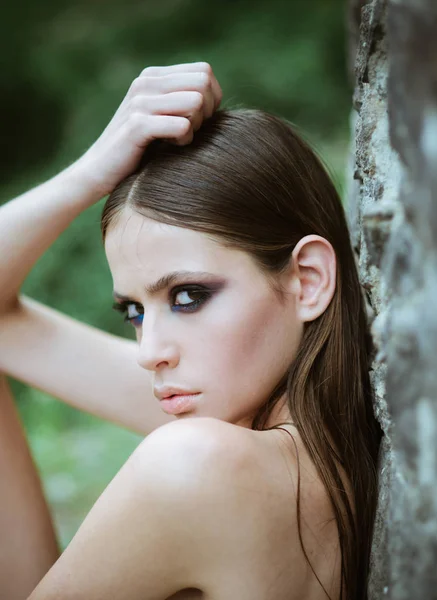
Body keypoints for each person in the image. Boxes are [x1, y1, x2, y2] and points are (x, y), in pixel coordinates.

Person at [0, 61, 382, 600]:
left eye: (188, 297)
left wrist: (90, 172)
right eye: (133, 311)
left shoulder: (198, 463)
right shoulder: (326, 434)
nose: (150, 352)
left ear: (308, 280)